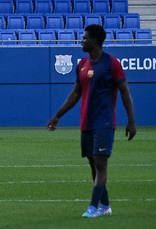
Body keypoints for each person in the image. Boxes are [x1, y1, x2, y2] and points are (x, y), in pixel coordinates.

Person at [47, 24, 137, 218]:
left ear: (95, 41)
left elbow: (124, 91)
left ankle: (93, 207)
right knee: (92, 165)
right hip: (86, 122)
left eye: (85, 38)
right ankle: (105, 205)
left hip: (104, 122)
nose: (82, 41)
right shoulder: (82, 65)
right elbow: (76, 93)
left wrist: (131, 121)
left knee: (100, 165)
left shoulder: (111, 63)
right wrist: (57, 115)